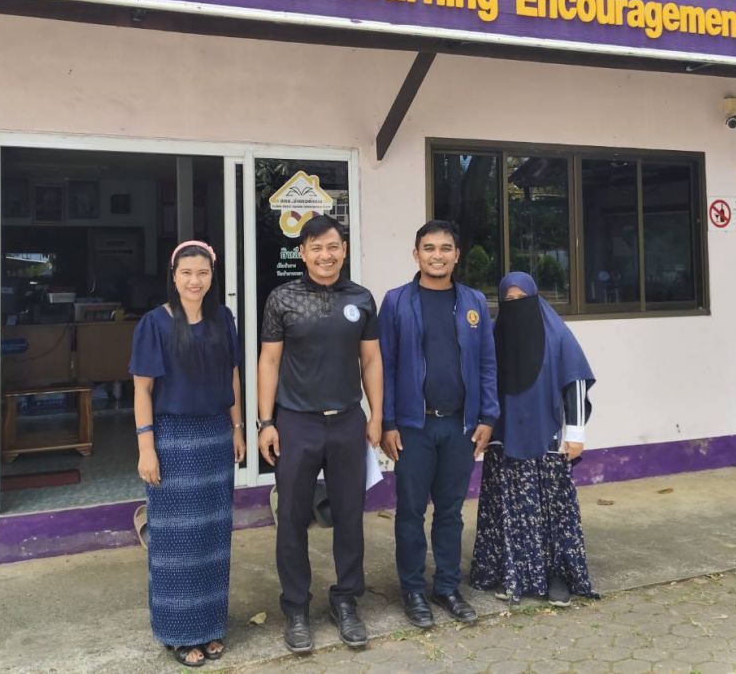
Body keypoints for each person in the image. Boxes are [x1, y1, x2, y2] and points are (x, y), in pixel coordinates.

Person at [256, 214, 383, 654]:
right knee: (292, 518)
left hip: (347, 420)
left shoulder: (361, 299)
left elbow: (371, 361)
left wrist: (376, 416)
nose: (325, 255)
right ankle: (296, 608)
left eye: (332, 247)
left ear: (343, 250)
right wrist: (266, 422)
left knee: (349, 515)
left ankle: (346, 600)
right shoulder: (282, 299)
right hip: (296, 423)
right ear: (302, 253)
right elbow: (269, 361)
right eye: (316, 248)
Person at [129, 240, 246, 668]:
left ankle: (210, 625)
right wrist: (146, 447)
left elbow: (232, 375)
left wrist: (237, 428)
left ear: (212, 276)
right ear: (173, 276)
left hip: (215, 436)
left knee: (213, 536)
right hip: (173, 440)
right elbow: (142, 389)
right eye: (186, 273)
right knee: (176, 541)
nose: (195, 281)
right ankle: (179, 632)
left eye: (203, 273)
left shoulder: (223, 319)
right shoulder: (154, 324)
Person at [379, 220, 498, 628]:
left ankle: (447, 586)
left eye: (445, 248)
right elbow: (385, 366)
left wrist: (488, 416)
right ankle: (412, 590)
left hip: (460, 427)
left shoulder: (474, 301)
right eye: (429, 248)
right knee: (410, 512)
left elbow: (487, 363)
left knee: (450, 512)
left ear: (457, 255)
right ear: (416, 254)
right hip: (413, 427)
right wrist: (387, 421)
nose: (437, 255)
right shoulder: (396, 302)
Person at [470, 271, 598, 607]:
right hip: (503, 440)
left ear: (535, 298)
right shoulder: (494, 336)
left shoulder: (558, 335)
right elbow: (483, 381)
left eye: (522, 299)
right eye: (508, 300)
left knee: (551, 512)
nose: (516, 306)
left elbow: (575, 380)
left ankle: (556, 577)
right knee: (507, 510)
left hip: (547, 440)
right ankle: (510, 572)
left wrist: (575, 433)